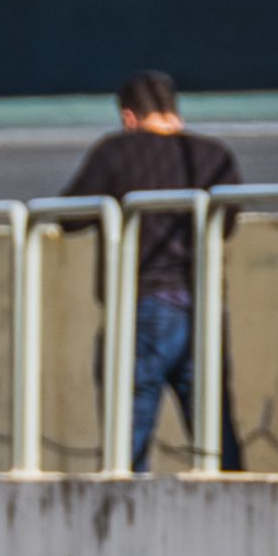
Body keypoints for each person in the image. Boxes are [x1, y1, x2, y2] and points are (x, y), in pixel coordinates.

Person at [62, 71, 245, 472]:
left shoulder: (116, 153)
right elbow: (228, 222)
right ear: (173, 110)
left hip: (141, 308)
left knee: (126, 444)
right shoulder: (213, 156)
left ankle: (125, 527)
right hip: (202, 308)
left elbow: (68, 217)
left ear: (129, 117)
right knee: (216, 433)